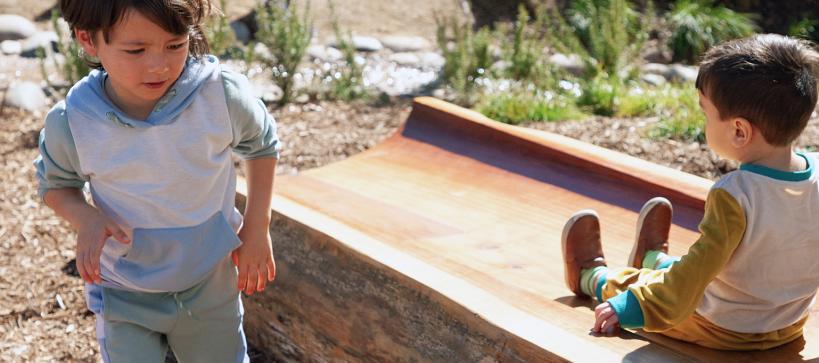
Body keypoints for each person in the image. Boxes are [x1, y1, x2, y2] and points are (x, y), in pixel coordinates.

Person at [34, 0, 280, 361]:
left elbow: (262, 146)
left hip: (210, 282)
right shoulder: (74, 122)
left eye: (175, 45)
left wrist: (257, 226)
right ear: (87, 39)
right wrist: (86, 218)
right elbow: (56, 186)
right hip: (124, 290)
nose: (159, 65)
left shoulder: (221, 96)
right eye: (136, 50)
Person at [561, 33, 819, 350]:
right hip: (787, 324)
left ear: (739, 131)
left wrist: (632, 307)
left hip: (724, 329)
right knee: (714, 266)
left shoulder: (738, 196)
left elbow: (694, 275)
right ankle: (654, 258)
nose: (704, 123)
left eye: (706, 114)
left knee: (650, 285)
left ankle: (590, 276)